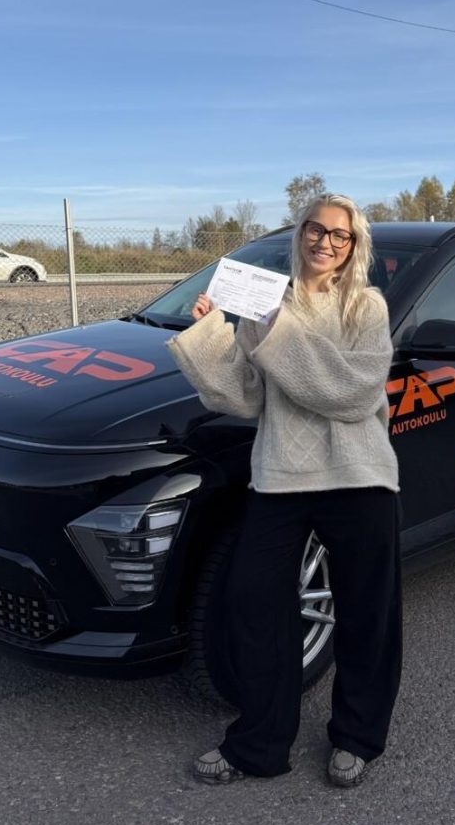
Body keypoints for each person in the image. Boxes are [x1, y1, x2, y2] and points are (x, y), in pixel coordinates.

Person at [165, 193, 401, 787]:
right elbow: (247, 396)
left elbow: (350, 392)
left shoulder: (367, 307)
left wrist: (277, 330)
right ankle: (260, 744)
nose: (326, 242)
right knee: (254, 605)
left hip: (358, 475)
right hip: (282, 474)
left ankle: (357, 738)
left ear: (353, 246)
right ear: (301, 234)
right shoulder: (265, 303)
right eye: (316, 229)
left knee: (367, 613)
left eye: (340, 235)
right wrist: (212, 336)